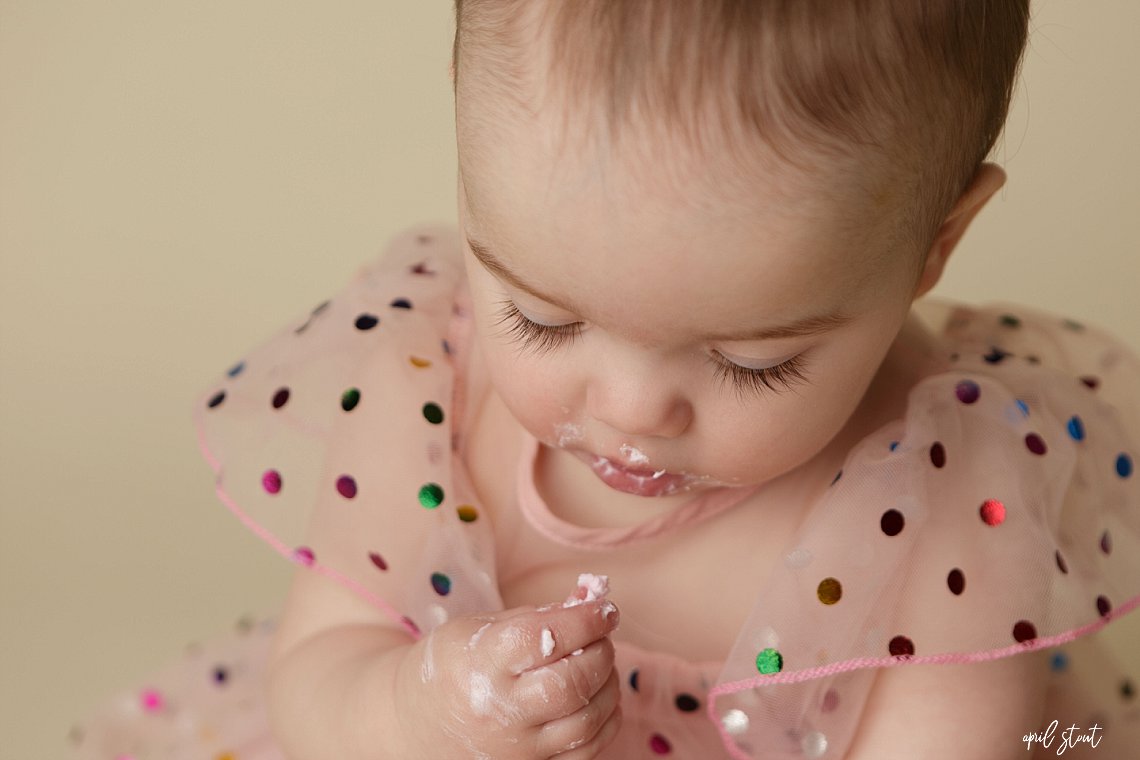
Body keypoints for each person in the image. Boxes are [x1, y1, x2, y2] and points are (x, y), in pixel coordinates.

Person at [69, 1, 1139, 758]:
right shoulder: (426, 382)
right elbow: (314, 685)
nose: (628, 411)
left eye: (750, 361)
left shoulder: (951, 491)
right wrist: (428, 714)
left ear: (933, 244)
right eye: (540, 314)